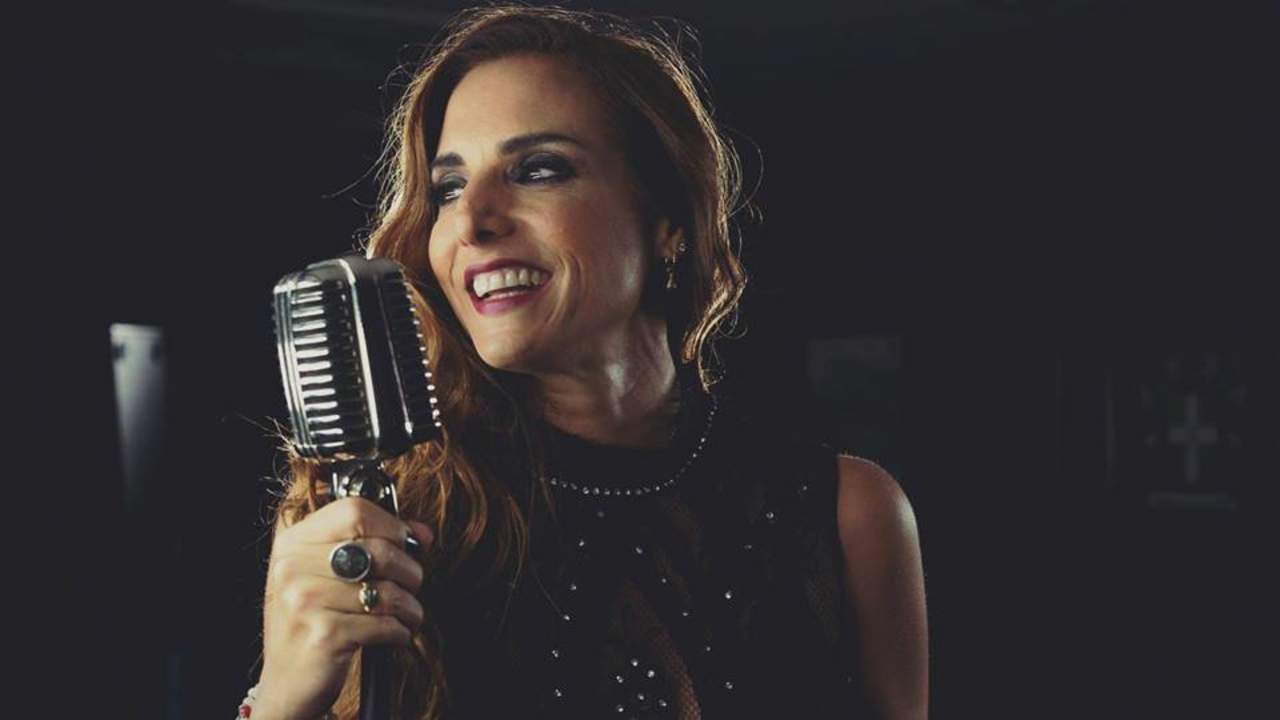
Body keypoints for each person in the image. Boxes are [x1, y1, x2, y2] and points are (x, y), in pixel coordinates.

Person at [246, 5, 927, 719]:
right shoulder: (373, 518)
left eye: (538, 170)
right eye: (448, 188)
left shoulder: (848, 514)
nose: (472, 220)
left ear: (667, 220)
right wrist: (286, 696)